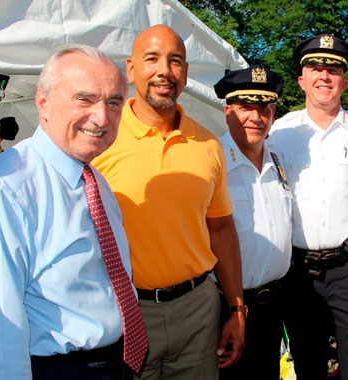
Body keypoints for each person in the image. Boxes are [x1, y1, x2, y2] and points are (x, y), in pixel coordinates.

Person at [0, 44, 147, 379]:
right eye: (84, 99)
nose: (101, 117)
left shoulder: (93, 178)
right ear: (42, 102)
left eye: (114, 102)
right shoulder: (6, 188)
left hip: (116, 362)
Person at [92, 25, 245, 379]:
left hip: (197, 313)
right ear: (131, 69)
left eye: (175, 61)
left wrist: (237, 309)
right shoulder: (101, 139)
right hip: (124, 310)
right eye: (152, 59)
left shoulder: (208, 145)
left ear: (186, 73)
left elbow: (220, 227)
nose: (164, 70)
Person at [269, 34, 348, 380]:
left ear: (343, 80)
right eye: (315, 68)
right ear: (302, 80)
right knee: (308, 364)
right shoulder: (279, 133)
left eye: (333, 69)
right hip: (298, 273)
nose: (324, 76)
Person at [213, 66, 291, 380]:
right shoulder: (211, 160)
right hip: (229, 308)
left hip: (277, 304)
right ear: (228, 110)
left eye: (264, 108)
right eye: (246, 107)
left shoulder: (278, 159)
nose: (256, 117)